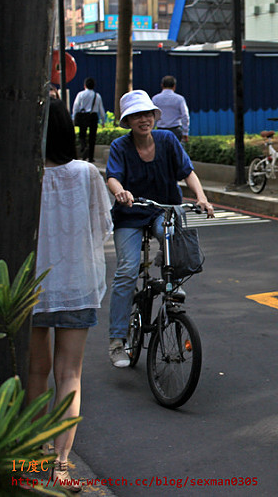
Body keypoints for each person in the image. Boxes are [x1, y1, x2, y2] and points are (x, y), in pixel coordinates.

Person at [27, 99, 113, 491]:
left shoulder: (22, 174)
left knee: (34, 372)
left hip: (30, 288)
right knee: (70, 374)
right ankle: (62, 466)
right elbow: (101, 228)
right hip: (77, 284)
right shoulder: (86, 173)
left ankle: (28, 460)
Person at [105, 90, 214, 367]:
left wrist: (201, 197)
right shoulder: (120, 146)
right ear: (128, 121)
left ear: (154, 116)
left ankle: (171, 280)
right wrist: (120, 192)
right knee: (127, 271)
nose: (144, 120)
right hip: (130, 214)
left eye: (147, 114)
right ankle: (117, 341)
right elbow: (112, 178)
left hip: (161, 209)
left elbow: (188, 172)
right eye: (137, 116)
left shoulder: (167, 140)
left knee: (179, 247)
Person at [72, 77, 106, 162]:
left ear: (85, 85)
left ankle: (84, 147)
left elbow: (76, 106)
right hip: (93, 116)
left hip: (83, 116)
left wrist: (74, 117)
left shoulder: (80, 94)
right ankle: (90, 157)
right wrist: (103, 120)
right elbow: (101, 109)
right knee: (92, 137)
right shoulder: (97, 96)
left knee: (82, 135)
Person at [152, 75, 190, 143]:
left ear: (162, 85)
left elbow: (152, 116)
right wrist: (185, 133)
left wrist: (151, 130)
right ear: (174, 86)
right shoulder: (179, 99)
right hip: (175, 131)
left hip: (160, 131)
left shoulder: (155, 99)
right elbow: (185, 116)